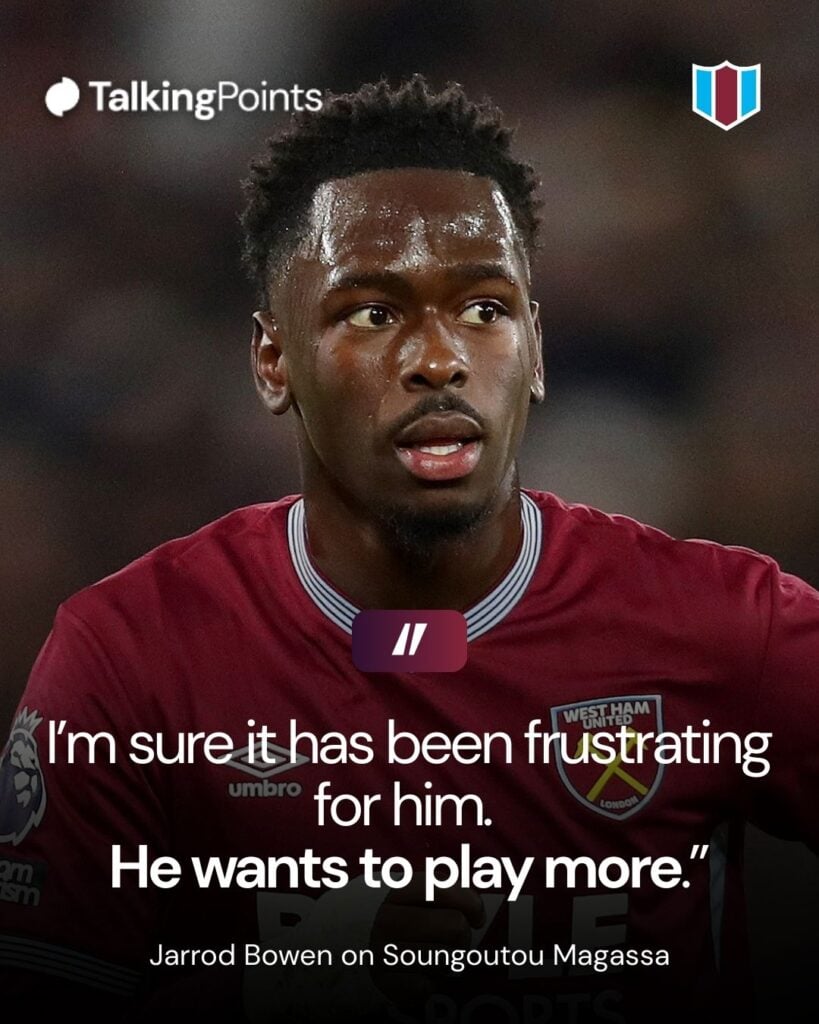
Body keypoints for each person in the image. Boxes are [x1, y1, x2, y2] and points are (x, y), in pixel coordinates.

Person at [0, 76, 817, 1024]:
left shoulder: (725, 629)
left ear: (538, 350)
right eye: (371, 314)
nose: (439, 359)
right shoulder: (132, 655)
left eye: (483, 309)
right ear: (274, 362)